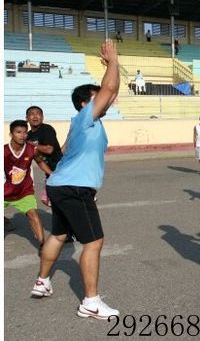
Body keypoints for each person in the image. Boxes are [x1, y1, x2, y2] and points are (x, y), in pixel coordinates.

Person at [30, 39, 121, 320]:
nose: (107, 99)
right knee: (93, 242)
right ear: (85, 103)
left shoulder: (85, 123)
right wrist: (114, 62)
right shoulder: (85, 117)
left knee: (58, 234)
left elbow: (112, 90)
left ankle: (42, 282)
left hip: (60, 185)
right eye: (97, 97)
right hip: (74, 188)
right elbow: (108, 89)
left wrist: (113, 67)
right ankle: (91, 302)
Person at [4, 120, 52, 253]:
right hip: (4, 192)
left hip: (24, 191)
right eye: (18, 132)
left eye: (25, 132)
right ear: (11, 134)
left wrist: (52, 174)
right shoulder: (4, 151)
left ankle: (43, 245)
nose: (22, 135)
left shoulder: (31, 149)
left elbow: (40, 162)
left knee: (33, 214)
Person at [26, 106, 63, 207]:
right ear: (27, 118)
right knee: (50, 200)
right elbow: (37, 159)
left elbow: (49, 149)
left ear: (42, 117)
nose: (35, 116)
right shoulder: (28, 136)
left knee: (63, 199)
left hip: (60, 167)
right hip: (49, 170)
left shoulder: (46, 129)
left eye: (38, 114)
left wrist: (31, 145)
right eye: (32, 114)